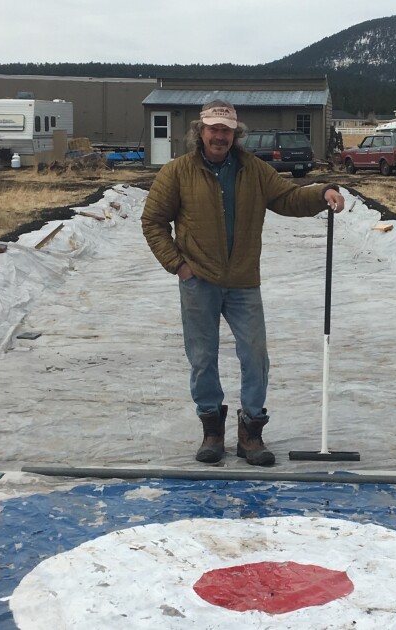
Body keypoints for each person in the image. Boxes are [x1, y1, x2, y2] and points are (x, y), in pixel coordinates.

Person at [142, 100, 345, 466]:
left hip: (243, 282)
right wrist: (178, 265)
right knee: (202, 359)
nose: (219, 136)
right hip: (198, 280)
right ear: (200, 131)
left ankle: (251, 432)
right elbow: (153, 222)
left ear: (236, 134)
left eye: (226, 130)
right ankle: (212, 432)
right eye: (213, 128)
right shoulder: (176, 173)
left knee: (255, 356)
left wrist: (320, 193)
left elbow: (287, 198)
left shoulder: (254, 170)